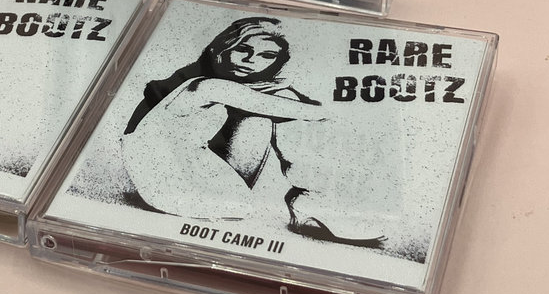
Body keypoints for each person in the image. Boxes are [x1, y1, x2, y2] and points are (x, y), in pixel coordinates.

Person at [121, 17, 384, 247]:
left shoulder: (219, 85)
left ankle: (312, 202)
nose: (251, 61)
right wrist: (319, 105)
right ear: (223, 50)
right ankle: (310, 201)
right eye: (243, 50)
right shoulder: (206, 85)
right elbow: (311, 112)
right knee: (272, 110)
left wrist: (279, 93)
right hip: (170, 181)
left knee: (272, 107)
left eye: (266, 56)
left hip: (180, 169)